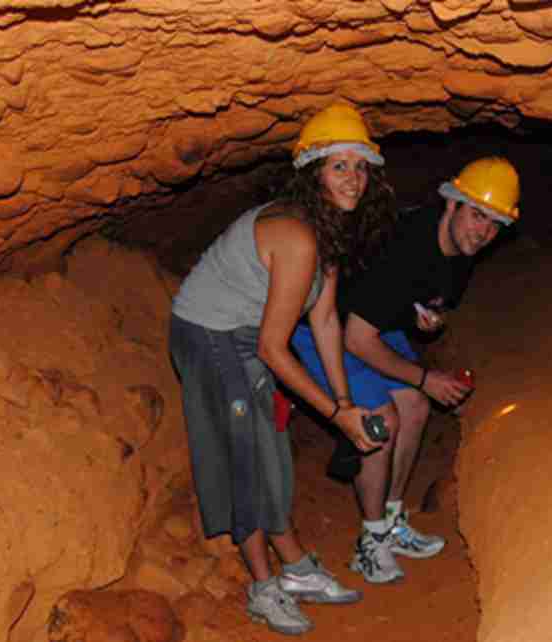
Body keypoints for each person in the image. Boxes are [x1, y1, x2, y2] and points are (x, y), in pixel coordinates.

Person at [168, 103, 397, 635]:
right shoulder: (296, 236)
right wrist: (335, 416)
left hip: (246, 336)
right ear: (313, 171)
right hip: (210, 334)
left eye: (360, 166)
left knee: (269, 444)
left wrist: (345, 402)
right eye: (338, 165)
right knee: (245, 453)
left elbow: (325, 324)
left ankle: (294, 568)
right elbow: (276, 348)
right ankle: (262, 586)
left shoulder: (328, 230)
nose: (353, 178)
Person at [290, 156, 521, 584]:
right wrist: (425, 376)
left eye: (494, 224)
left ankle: (391, 522)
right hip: (325, 325)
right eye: (476, 216)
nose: (483, 231)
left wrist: (425, 317)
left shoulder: (463, 249)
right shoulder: (405, 244)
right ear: (452, 204)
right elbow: (356, 339)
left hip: (374, 320)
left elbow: (420, 298)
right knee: (383, 420)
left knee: (415, 407)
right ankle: (370, 541)